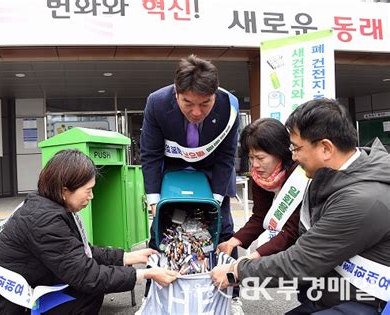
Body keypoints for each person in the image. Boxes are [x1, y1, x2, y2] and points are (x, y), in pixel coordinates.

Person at [211, 99, 390, 314]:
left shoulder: (361, 200)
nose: (293, 156)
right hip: (328, 292)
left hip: (363, 302)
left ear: (325, 147)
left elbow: (300, 262)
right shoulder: (332, 175)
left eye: (296, 148)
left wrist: (236, 271)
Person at [0, 149, 178, 314]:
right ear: (65, 190)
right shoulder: (46, 221)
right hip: (4, 306)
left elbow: (81, 253)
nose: (91, 197)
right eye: (88, 190)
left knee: (88, 294)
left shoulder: (48, 206)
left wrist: (129, 256)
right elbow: (87, 275)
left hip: (22, 289)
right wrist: (146, 274)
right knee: (87, 292)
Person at [140, 54, 240, 249]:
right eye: (188, 103)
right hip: (172, 177)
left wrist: (216, 200)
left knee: (222, 231)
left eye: (205, 104)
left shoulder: (229, 106)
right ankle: (159, 277)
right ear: (176, 93)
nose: (196, 112)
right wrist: (154, 202)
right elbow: (151, 154)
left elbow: (226, 156)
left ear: (214, 94)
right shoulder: (157, 103)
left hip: (213, 175)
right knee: (163, 232)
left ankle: (227, 277)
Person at [217, 118, 302, 260]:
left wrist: (252, 258)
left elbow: (292, 231)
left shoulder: (300, 175)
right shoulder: (261, 178)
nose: (254, 165)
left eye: (260, 158)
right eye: (251, 158)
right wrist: (233, 242)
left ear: (279, 151)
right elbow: (260, 216)